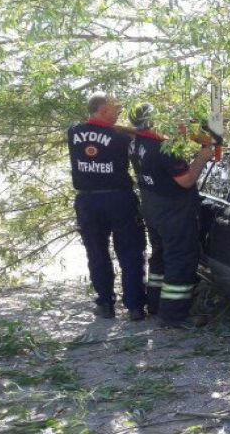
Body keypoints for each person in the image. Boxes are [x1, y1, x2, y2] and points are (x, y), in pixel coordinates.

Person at [128, 103, 215, 328]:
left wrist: (191, 135)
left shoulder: (136, 142)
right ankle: (174, 316)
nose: (176, 124)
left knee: (160, 255)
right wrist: (202, 157)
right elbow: (185, 180)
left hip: (152, 204)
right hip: (173, 209)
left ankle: (155, 304)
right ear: (153, 121)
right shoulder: (164, 148)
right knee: (180, 259)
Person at [68, 92, 146, 321]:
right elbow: (136, 138)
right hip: (119, 199)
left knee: (96, 252)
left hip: (88, 201)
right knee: (130, 252)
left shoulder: (73, 131)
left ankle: (105, 303)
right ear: (102, 110)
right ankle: (135, 307)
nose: (120, 111)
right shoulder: (121, 138)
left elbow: (88, 125)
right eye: (115, 108)